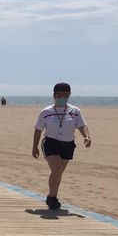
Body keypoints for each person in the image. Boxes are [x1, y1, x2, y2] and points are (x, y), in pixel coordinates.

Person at [32, 82, 91, 210]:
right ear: (54, 95)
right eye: (60, 95)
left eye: (66, 95)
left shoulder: (75, 111)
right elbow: (38, 130)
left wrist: (86, 136)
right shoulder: (46, 112)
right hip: (50, 143)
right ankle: (53, 199)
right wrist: (34, 147)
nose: (63, 97)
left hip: (68, 144)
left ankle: (51, 196)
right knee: (57, 169)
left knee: (58, 173)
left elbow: (82, 125)